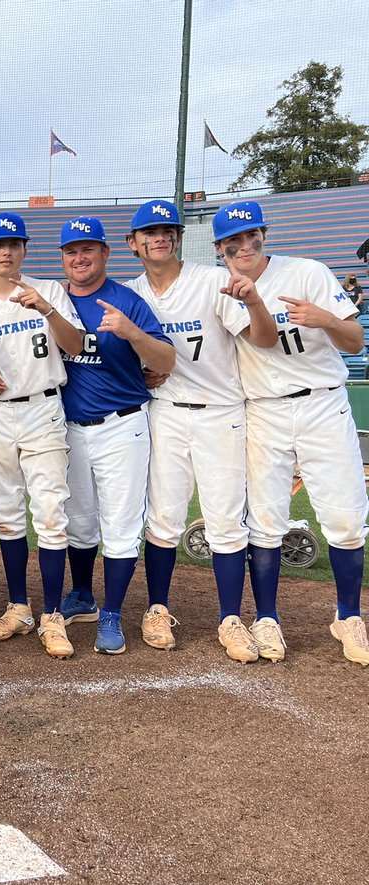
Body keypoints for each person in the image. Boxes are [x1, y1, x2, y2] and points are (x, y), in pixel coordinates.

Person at [213, 201, 369, 664]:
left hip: (322, 402)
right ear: (220, 248)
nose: (245, 246)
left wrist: (329, 320)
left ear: (263, 234)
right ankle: (267, 618)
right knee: (266, 520)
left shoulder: (307, 272)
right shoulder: (221, 290)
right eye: (233, 241)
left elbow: (355, 341)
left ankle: (348, 616)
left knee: (345, 518)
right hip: (264, 409)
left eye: (251, 236)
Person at [125, 200, 276, 662]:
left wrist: (255, 301)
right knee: (163, 519)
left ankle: (230, 618)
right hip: (165, 412)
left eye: (167, 230)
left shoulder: (212, 281)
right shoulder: (130, 292)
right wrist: (140, 375)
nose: (160, 237)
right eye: (149, 232)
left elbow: (261, 339)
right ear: (133, 243)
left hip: (220, 411)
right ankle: (157, 608)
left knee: (226, 522)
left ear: (178, 237)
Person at [0, 213, 84, 658]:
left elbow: (76, 346)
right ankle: (18, 607)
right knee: (7, 514)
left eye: (13, 243)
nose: (6, 251)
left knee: (50, 513)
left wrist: (46, 309)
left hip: (43, 406)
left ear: (25, 249)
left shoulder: (49, 290)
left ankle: (52, 615)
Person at [57, 216, 175, 654]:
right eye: (71, 251)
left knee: (121, 525)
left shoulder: (127, 300)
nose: (80, 257)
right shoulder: (56, 300)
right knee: (78, 522)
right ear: (63, 257)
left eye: (88, 249)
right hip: (69, 428)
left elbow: (165, 360)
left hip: (121, 425)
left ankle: (112, 612)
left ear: (105, 253)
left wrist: (131, 332)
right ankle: (83, 595)